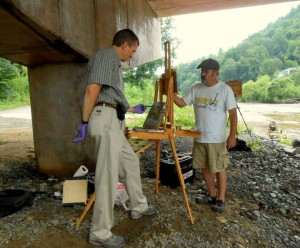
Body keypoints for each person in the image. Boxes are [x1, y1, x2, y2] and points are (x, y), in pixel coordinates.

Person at [73, 29, 157, 248]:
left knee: (130, 162)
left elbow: (108, 94)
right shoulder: (106, 56)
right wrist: (83, 122)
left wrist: (129, 107)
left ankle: (138, 206)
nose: (132, 56)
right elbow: (93, 90)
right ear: (125, 45)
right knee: (108, 176)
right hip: (105, 119)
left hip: (113, 118)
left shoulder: (113, 62)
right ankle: (100, 233)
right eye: (133, 50)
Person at [173, 58, 237, 213]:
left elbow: (233, 114)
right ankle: (212, 195)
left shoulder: (224, 89)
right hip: (199, 137)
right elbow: (181, 103)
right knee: (205, 167)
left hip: (217, 138)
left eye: (206, 71)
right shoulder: (196, 88)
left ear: (216, 73)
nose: (203, 73)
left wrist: (232, 135)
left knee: (219, 167)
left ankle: (221, 199)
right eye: (202, 70)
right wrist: (170, 92)